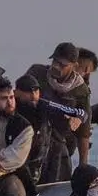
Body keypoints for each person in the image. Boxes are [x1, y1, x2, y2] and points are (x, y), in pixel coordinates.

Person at [26, 42, 91, 181]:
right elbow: (19, 95)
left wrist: (83, 165)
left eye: (62, 65)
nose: (56, 66)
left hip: (60, 143)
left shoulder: (81, 90)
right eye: (55, 61)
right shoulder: (37, 73)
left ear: (74, 66)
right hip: (33, 137)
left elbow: (84, 133)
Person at [13, 74, 86, 190]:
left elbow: (80, 112)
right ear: (16, 92)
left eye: (36, 92)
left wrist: (78, 118)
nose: (33, 96)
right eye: (28, 92)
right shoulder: (10, 104)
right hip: (14, 155)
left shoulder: (44, 104)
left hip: (40, 155)